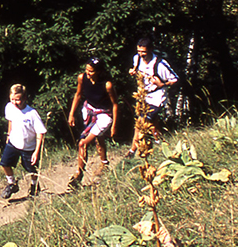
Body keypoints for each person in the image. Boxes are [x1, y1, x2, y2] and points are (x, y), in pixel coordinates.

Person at [67, 57, 119, 189]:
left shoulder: (107, 85)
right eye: (87, 70)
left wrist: (114, 125)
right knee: (98, 138)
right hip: (89, 110)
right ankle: (104, 163)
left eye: (91, 71)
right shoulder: (82, 78)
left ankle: (79, 175)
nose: (88, 73)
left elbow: (115, 104)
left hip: (104, 115)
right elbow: (78, 95)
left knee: (83, 143)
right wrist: (71, 113)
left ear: (99, 71)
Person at [125, 37, 179, 158]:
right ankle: (160, 142)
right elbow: (136, 68)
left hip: (157, 95)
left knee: (141, 121)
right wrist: (133, 71)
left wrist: (162, 84)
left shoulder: (160, 64)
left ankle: (132, 149)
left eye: (144, 52)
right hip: (143, 95)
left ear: (150, 50)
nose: (141, 55)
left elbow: (175, 79)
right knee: (152, 122)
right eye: (139, 52)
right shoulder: (137, 58)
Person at [0, 84, 47, 199]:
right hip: (14, 142)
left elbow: (40, 133)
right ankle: (12, 184)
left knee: (31, 169)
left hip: (29, 147)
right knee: (5, 164)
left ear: (25, 98)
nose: (15, 103)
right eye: (12, 99)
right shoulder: (9, 107)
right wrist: (8, 134)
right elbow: (10, 120)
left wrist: (36, 151)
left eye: (18, 100)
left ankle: (34, 186)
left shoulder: (32, 113)